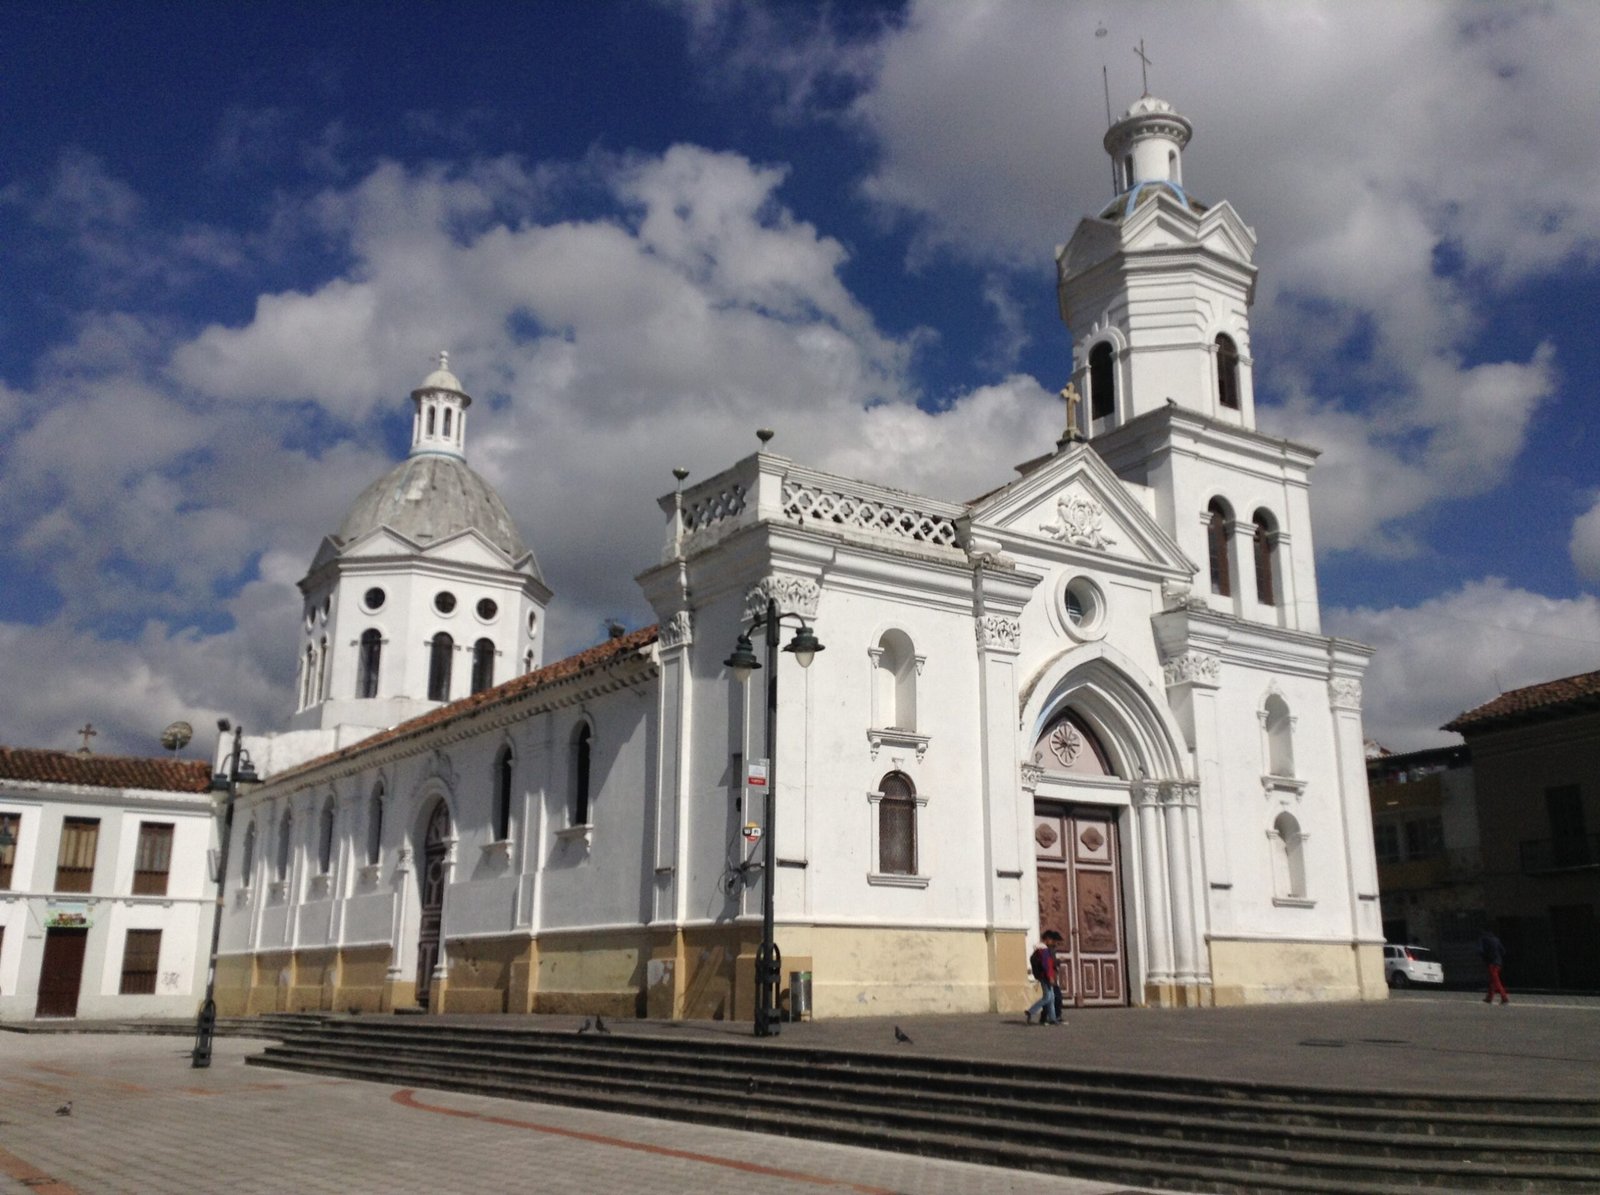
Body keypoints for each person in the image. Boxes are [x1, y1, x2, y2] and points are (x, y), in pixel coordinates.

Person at [1025, 934, 1062, 1025]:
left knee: (1051, 997)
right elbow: (1047, 966)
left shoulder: (1037, 951)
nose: (1052, 941)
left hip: (1042, 976)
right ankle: (1031, 1011)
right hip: (1046, 976)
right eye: (1051, 939)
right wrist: (1050, 977)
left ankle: (1052, 1018)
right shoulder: (1044, 951)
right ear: (1047, 939)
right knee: (1048, 997)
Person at [1480, 929, 1510, 1004]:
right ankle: (1489, 997)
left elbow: (1481, 951)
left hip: (1492, 963)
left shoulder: (1484, 940)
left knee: (1496, 981)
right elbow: (1503, 951)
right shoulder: (1497, 940)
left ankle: (1504, 997)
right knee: (1493, 981)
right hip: (1499, 963)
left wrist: (1485, 958)